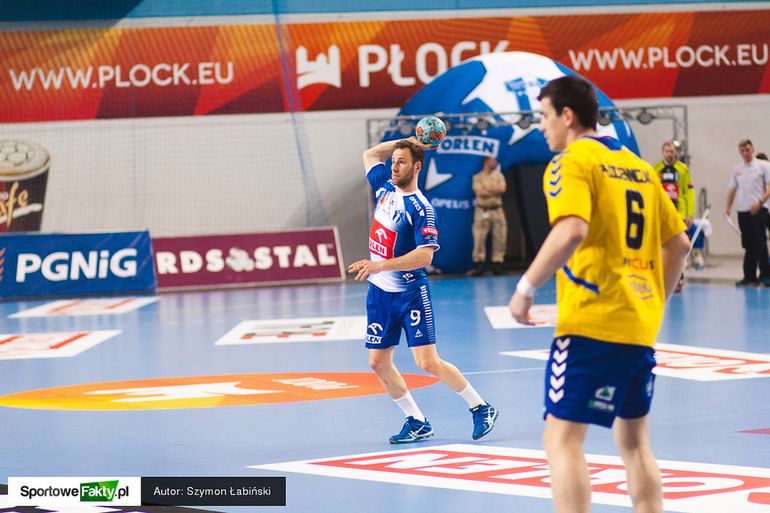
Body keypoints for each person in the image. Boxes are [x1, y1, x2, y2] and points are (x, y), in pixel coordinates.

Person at [508, 75, 690, 513]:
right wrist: (655, 302)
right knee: (635, 443)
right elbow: (680, 244)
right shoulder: (638, 167)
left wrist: (526, 287)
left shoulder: (571, 161)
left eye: (544, 116)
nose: (541, 127)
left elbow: (572, 229)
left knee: (561, 439)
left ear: (567, 116)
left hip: (591, 322)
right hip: (637, 325)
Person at [348, 137, 498, 444]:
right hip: (380, 294)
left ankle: (481, 407)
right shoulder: (384, 188)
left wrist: (379, 265)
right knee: (377, 362)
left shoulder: (421, 208)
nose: (394, 166)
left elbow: (425, 256)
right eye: (393, 161)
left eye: (401, 162)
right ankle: (417, 421)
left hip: (410, 292)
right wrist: (412, 141)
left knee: (427, 362)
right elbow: (370, 153)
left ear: (417, 167)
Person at [725, 139, 770, 287]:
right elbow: (732, 188)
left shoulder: (763, 166)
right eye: (743, 151)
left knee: (760, 242)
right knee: (748, 244)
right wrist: (728, 207)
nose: (746, 153)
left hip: (760, 209)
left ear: (753, 150)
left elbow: (769, 187)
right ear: (740, 152)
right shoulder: (737, 169)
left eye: (748, 150)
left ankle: (765, 275)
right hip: (743, 211)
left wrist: (760, 201)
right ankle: (749, 276)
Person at [653, 141, 697, 285]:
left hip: (679, 214)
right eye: (667, 151)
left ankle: (679, 277)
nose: (669, 154)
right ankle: (661, 276)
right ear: (662, 152)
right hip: (662, 214)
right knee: (660, 246)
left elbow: (689, 192)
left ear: (675, 153)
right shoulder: (656, 169)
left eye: (672, 151)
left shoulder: (682, 169)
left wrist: (690, 213)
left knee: (679, 246)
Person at [467, 156, 507, 276]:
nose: (495, 163)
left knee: (500, 236)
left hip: (497, 210)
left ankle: (497, 263)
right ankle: (479, 264)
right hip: (482, 210)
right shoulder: (477, 177)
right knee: (479, 237)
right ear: (486, 162)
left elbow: (502, 189)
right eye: (493, 161)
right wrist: (494, 190)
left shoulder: (499, 176)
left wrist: (487, 190)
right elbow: (479, 192)